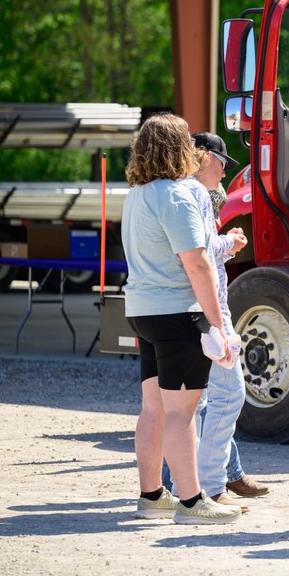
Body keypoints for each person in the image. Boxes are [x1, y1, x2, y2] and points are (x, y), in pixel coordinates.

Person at [123, 113, 240, 524]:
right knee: (181, 413)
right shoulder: (175, 196)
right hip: (178, 312)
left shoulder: (135, 194)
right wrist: (219, 325)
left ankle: (152, 494)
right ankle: (191, 502)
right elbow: (197, 263)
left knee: (153, 408)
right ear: (179, 149)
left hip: (142, 310)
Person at [171, 133, 269, 508]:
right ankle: (212, 484)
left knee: (192, 402)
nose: (226, 171)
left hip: (187, 309)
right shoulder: (194, 193)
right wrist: (228, 244)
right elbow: (199, 255)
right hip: (207, 312)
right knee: (227, 397)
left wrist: (224, 248)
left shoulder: (175, 193)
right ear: (206, 157)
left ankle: (181, 482)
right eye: (224, 162)